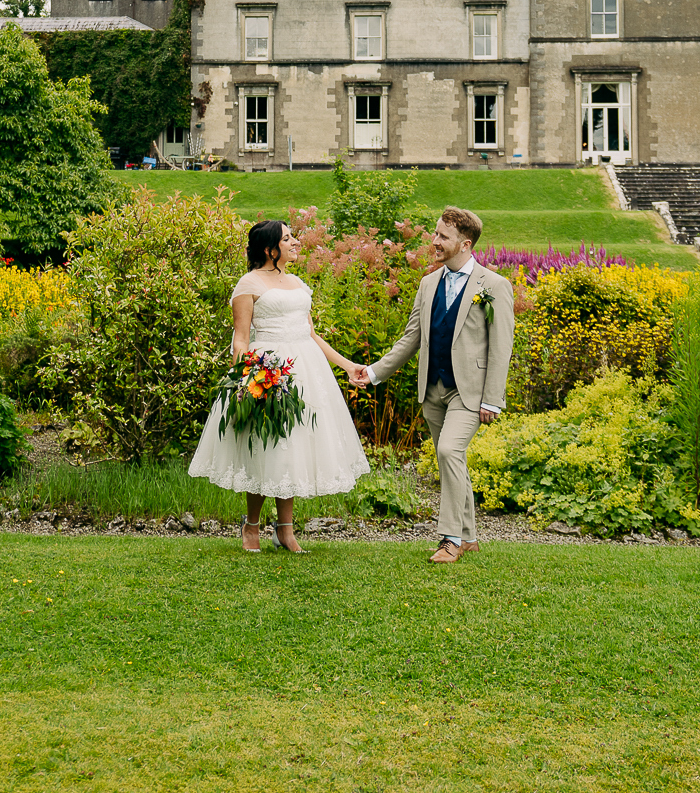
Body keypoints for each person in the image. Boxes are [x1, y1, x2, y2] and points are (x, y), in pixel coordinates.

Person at [188, 219, 371, 553]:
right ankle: (252, 526)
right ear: (269, 249)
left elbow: (311, 335)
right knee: (264, 445)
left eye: (293, 237)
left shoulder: (298, 283)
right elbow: (241, 338)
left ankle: (285, 531)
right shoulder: (248, 283)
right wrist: (244, 380)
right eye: (287, 239)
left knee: (292, 447)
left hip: (305, 372)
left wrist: (348, 365)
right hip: (266, 371)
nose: (296, 242)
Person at [350, 207, 513, 564]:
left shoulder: (494, 286)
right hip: (434, 390)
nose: (434, 242)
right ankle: (469, 536)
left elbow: (502, 346)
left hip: (469, 392)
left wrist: (492, 400)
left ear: (465, 243)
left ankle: (450, 540)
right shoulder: (428, 284)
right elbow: (410, 339)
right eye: (435, 234)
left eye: (442, 236)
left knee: (449, 452)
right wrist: (374, 373)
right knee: (451, 461)